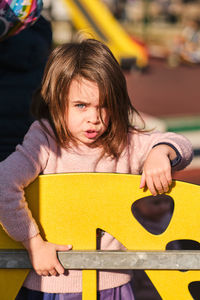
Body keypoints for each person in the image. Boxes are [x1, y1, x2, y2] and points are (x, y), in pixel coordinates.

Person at [0, 38, 193, 300]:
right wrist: (33, 243)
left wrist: (161, 153)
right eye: (81, 105)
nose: (95, 118)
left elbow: (181, 145)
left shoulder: (122, 140)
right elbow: (4, 182)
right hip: (51, 283)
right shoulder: (45, 140)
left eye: (104, 105)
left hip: (111, 283)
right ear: (57, 102)